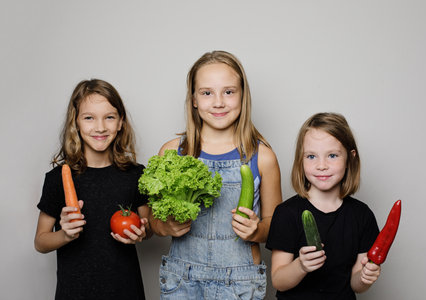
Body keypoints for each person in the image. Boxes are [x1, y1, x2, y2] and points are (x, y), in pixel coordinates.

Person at [151, 50, 282, 300]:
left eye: (229, 92)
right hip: (182, 281)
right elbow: (154, 222)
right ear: (194, 99)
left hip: (240, 281)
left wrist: (256, 230)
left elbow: (275, 226)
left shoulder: (262, 157)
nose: (219, 102)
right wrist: (166, 226)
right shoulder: (171, 152)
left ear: (243, 96)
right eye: (207, 92)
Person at [34, 79, 151, 300]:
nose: (100, 127)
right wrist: (65, 234)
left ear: (120, 123)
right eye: (89, 118)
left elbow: (149, 227)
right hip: (74, 292)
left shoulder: (136, 174)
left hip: (126, 290)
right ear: (76, 123)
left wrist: (142, 233)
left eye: (109, 117)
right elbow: (40, 241)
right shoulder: (58, 178)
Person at [266, 112, 381, 299]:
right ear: (300, 160)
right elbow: (278, 280)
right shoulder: (286, 213)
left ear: (350, 158)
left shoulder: (362, 215)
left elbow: (356, 284)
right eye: (311, 156)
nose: (322, 165)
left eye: (332, 155)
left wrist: (365, 277)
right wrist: (301, 266)